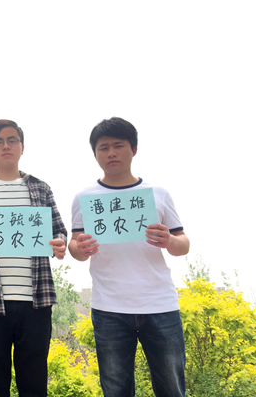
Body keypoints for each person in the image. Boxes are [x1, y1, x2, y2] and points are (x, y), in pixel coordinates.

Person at [68, 117, 190, 397]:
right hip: (108, 307)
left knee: (171, 387)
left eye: (118, 145)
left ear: (134, 149)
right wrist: (79, 248)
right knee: (115, 389)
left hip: (160, 304)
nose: (111, 153)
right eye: (103, 147)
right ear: (95, 154)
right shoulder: (85, 197)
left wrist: (169, 240)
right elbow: (75, 246)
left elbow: (183, 244)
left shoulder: (158, 194)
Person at [0, 119, 67, 397]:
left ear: (22, 147)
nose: (6, 146)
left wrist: (59, 243)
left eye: (12, 140)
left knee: (34, 384)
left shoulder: (40, 188)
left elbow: (59, 231)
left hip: (36, 300)